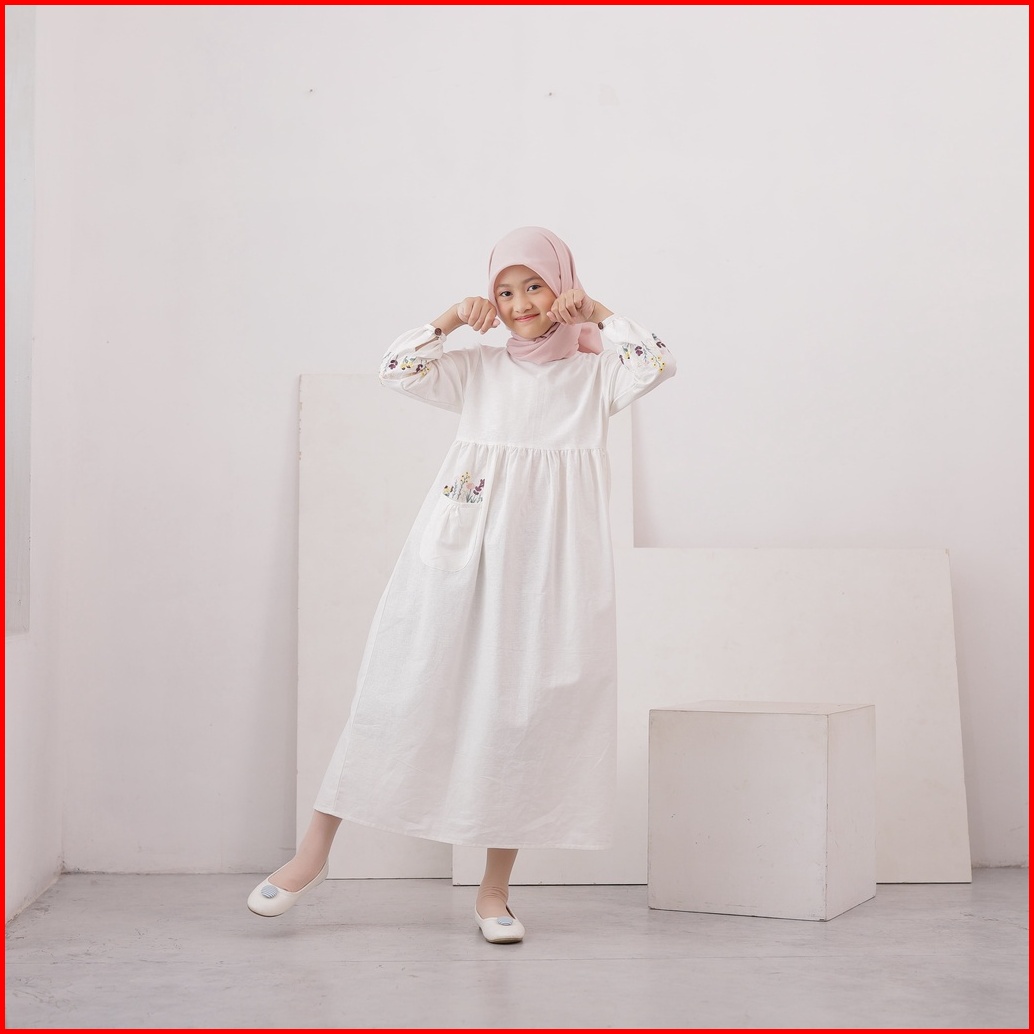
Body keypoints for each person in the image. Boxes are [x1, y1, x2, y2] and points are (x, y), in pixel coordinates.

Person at [247, 226, 676, 943]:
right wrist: (449, 319)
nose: (520, 304)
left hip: (548, 569)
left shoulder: (596, 373)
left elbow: (657, 362)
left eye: (534, 286)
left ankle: (494, 890)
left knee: (521, 714)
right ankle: (313, 852)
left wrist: (598, 312)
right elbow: (396, 368)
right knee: (398, 685)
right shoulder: (478, 368)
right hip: (457, 549)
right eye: (504, 292)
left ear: (563, 286)